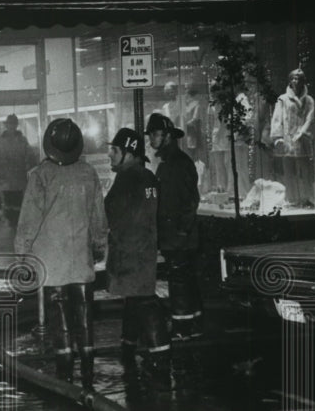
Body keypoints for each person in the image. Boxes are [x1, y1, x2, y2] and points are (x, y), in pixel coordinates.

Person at [14, 118, 107, 388]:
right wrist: (99, 245)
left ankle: (65, 373)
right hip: (81, 257)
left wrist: (21, 254)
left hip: (51, 261)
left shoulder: (40, 175)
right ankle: (88, 371)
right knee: (84, 312)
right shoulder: (88, 173)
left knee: (59, 313)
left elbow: (29, 220)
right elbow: (98, 217)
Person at [104, 128, 170, 379]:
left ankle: (161, 356)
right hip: (142, 249)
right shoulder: (146, 177)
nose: (111, 156)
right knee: (135, 297)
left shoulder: (129, 179)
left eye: (115, 151)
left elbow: (115, 213)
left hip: (130, 251)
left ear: (128, 153)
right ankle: (129, 346)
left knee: (143, 299)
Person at [145, 112, 203, 339]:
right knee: (185, 279)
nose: (151, 139)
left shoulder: (178, 164)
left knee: (179, 281)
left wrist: (181, 231)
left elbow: (190, 201)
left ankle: (183, 327)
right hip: (177, 235)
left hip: (179, 236)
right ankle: (195, 323)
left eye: (154, 134)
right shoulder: (170, 163)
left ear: (167, 136)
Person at [270, 68, 315, 207]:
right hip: (287, 140)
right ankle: (291, 199)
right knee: (288, 171)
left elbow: (310, 118)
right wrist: (278, 138)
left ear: (303, 81)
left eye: (299, 78)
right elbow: (277, 118)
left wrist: (302, 133)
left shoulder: (309, 100)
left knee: (306, 171)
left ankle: (308, 198)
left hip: (303, 139)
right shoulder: (282, 99)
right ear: (290, 80)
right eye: (294, 78)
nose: (296, 81)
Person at [0, 114, 38, 224]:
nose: (11, 126)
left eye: (13, 124)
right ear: (6, 125)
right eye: (10, 124)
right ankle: (11, 220)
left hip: (19, 176)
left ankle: (16, 221)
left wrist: (29, 166)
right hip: (5, 176)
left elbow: (29, 154)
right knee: (7, 199)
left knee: (18, 200)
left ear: (16, 125)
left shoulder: (22, 139)